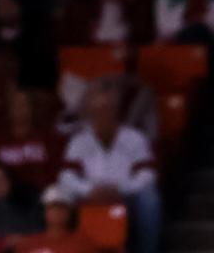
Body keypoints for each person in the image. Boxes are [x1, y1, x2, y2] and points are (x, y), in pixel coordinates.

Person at [59, 83, 161, 253]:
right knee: (60, 194)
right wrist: (89, 190)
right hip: (89, 197)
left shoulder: (134, 138)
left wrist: (120, 189)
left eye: (107, 108)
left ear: (116, 111)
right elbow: (66, 176)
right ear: (89, 113)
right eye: (96, 109)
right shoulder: (79, 141)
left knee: (150, 199)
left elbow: (148, 174)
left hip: (126, 197)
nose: (102, 113)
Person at [15, 186, 95, 253]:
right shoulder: (26, 244)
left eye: (61, 207)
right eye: (52, 207)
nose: (57, 212)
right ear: (44, 212)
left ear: (70, 212)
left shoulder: (84, 244)